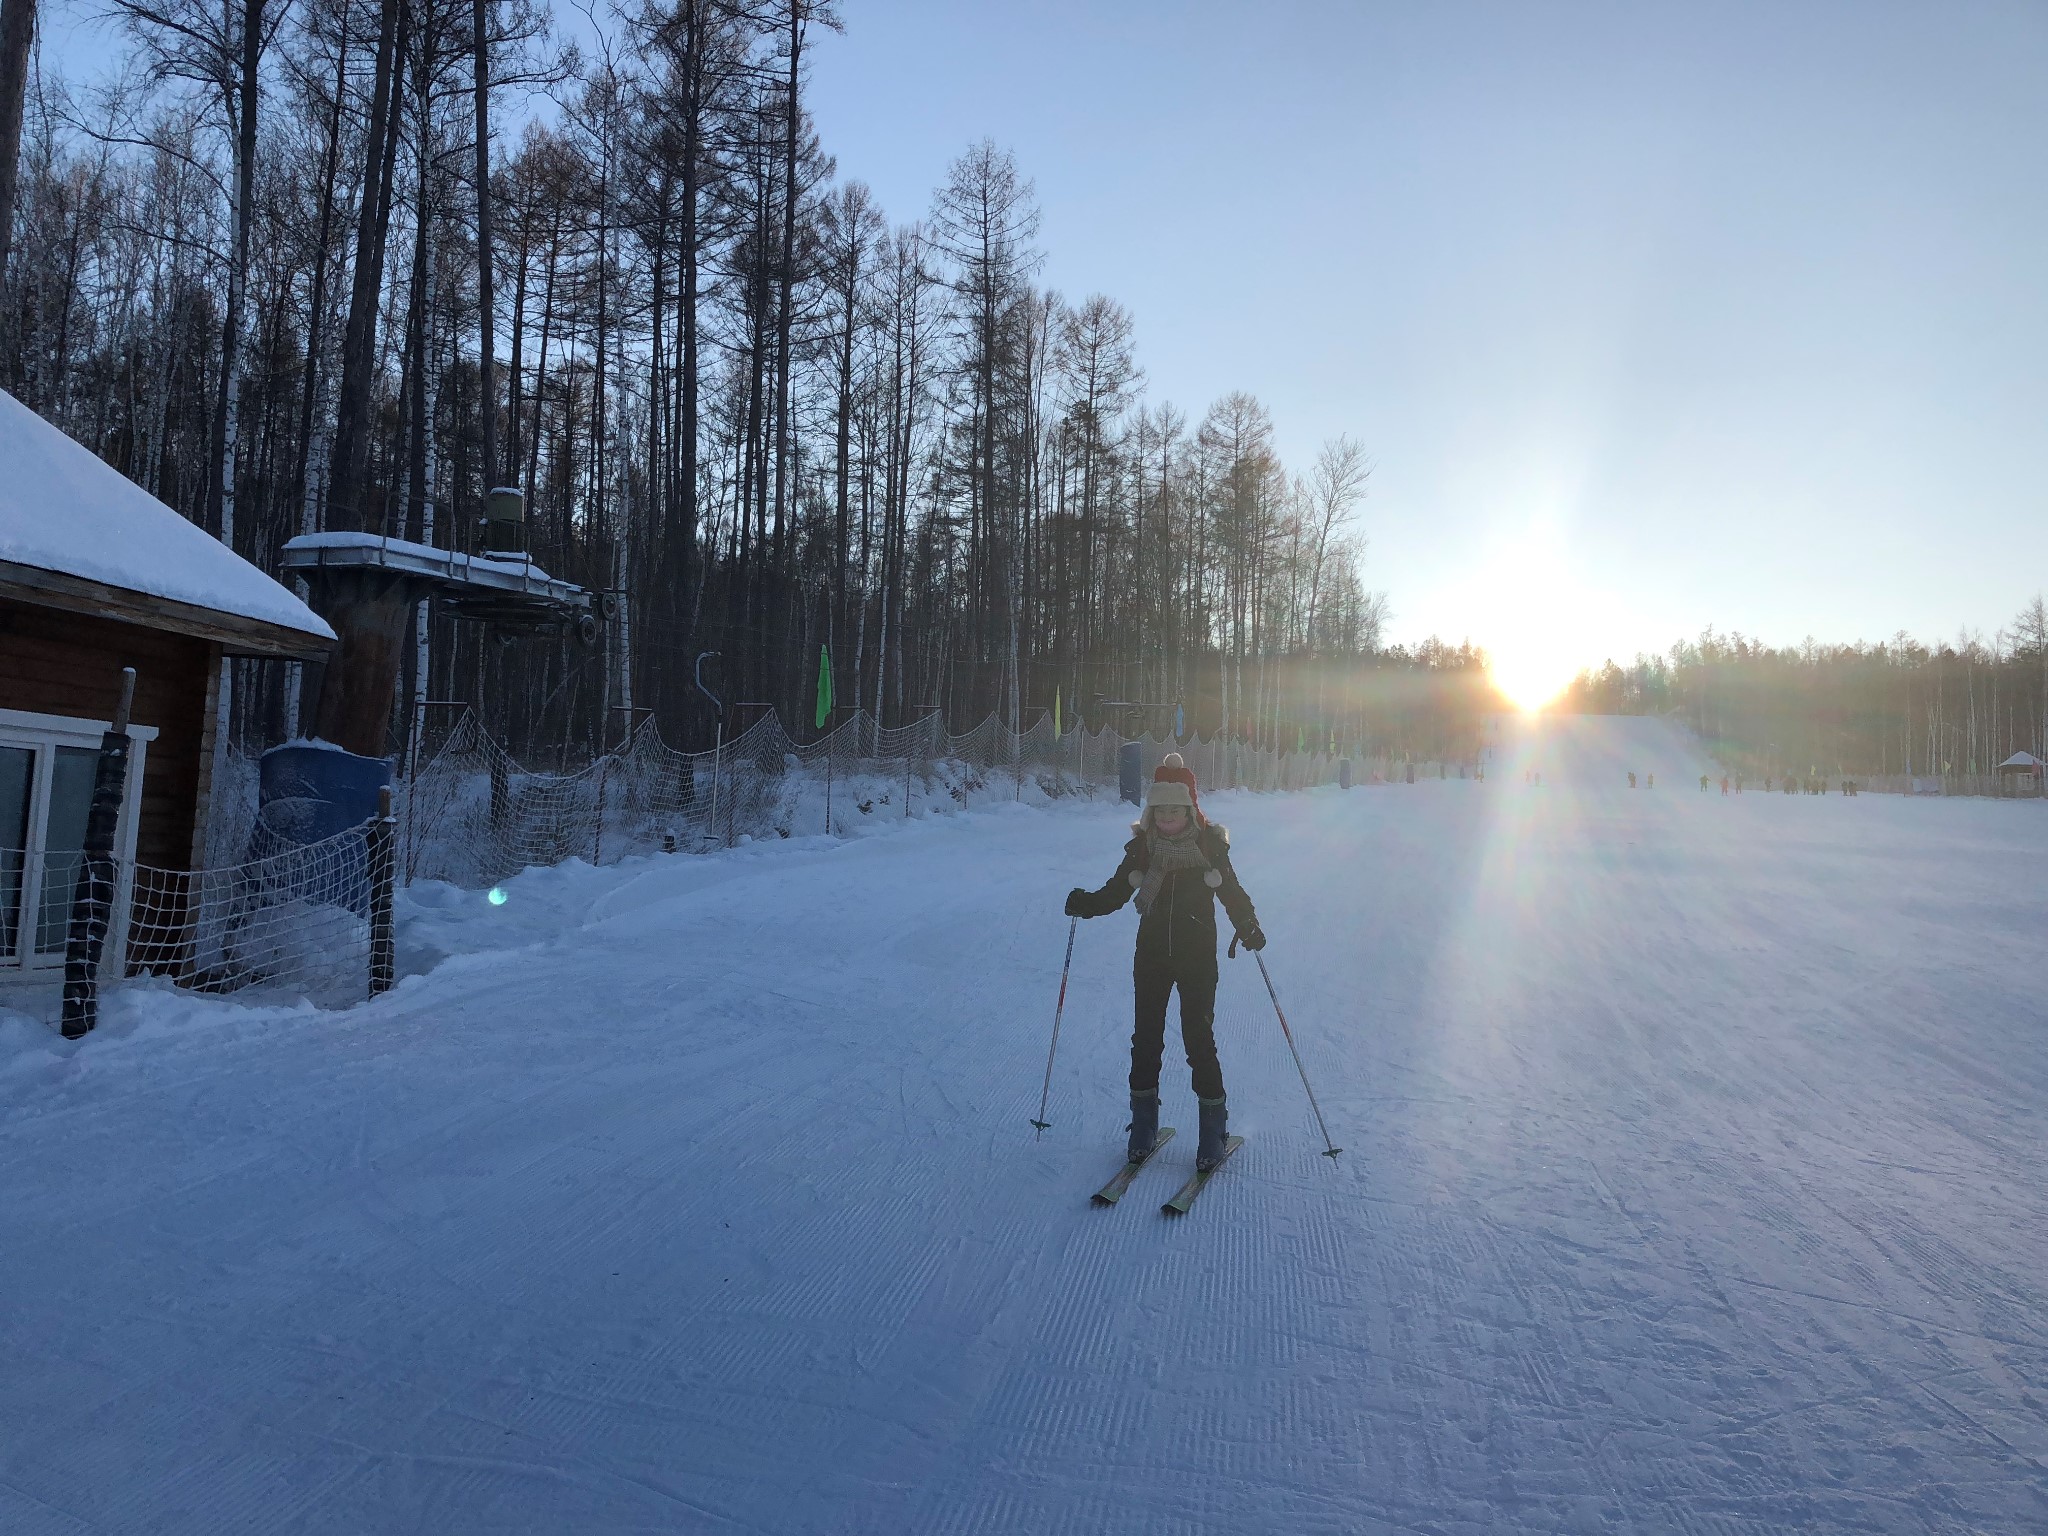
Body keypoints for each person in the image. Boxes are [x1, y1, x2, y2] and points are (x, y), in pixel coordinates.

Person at [1065, 753, 1264, 1171]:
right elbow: (1118, 891)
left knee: (1198, 1041)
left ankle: (1213, 1131)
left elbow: (1231, 891)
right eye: (1161, 811)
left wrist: (1246, 923)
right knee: (1146, 1040)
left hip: (1196, 959)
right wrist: (1087, 904)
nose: (1169, 818)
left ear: (1189, 810)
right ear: (1151, 812)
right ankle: (1143, 1126)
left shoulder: (1209, 846)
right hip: (1152, 956)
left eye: (1176, 809)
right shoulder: (1142, 850)